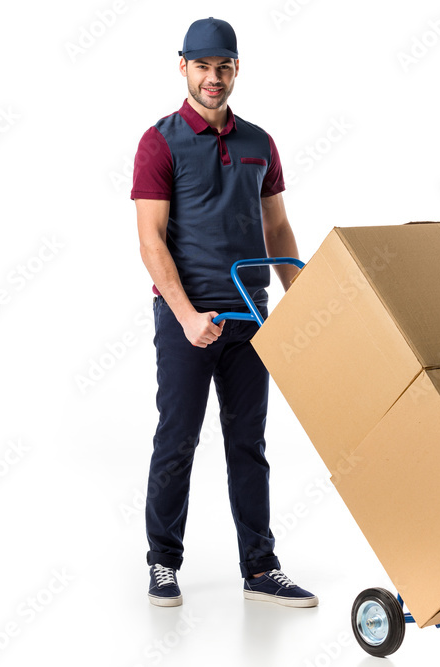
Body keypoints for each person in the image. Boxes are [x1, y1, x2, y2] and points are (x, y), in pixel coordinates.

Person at [131, 17, 317, 609]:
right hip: (186, 319)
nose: (214, 79)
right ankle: (163, 562)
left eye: (225, 68)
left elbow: (279, 225)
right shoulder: (158, 142)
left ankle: (260, 568)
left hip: (249, 318)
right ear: (182, 66)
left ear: (237, 69)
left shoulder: (259, 142)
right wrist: (186, 315)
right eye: (204, 67)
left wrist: (307, 304)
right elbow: (151, 240)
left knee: (249, 443)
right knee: (177, 440)